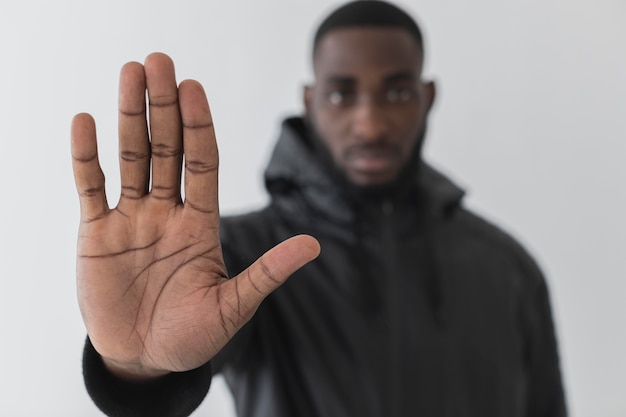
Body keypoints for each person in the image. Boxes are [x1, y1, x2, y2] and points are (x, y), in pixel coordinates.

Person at [71, 1, 567, 416]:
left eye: (396, 91)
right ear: (310, 102)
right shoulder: (235, 255)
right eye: (340, 93)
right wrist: (137, 368)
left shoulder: (507, 269)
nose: (370, 123)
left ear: (427, 97)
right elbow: (175, 355)